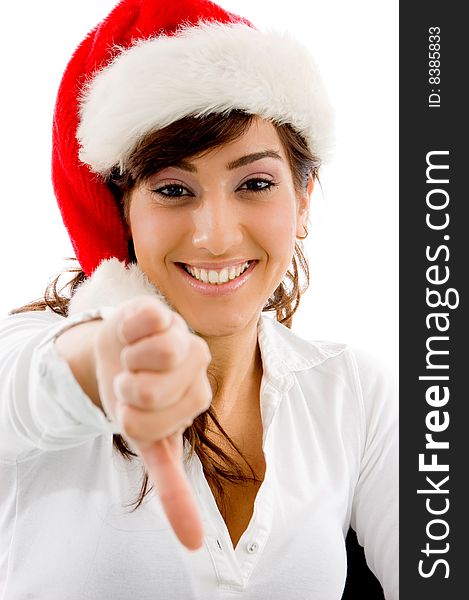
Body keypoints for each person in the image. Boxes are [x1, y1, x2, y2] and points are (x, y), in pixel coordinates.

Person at [0, 0, 398, 598]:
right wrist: (103, 362)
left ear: (304, 197)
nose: (215, 235)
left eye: (255, 183)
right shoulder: (25, 355)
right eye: (173, 189)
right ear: (123, 212)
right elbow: (36, 387)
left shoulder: (354, 392)